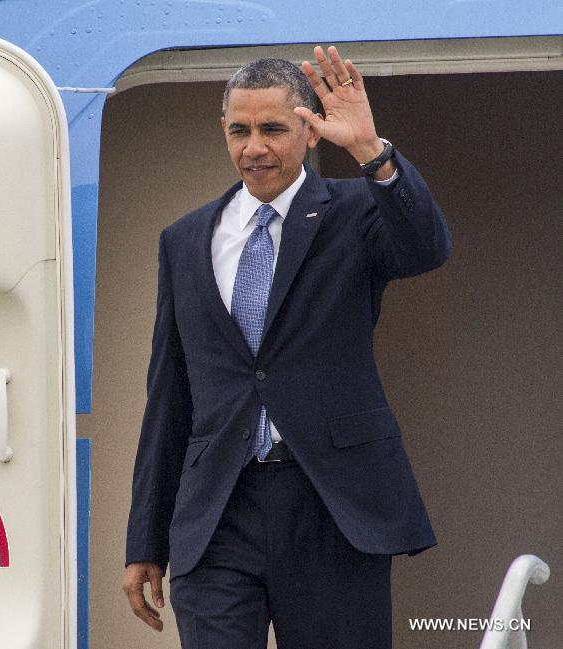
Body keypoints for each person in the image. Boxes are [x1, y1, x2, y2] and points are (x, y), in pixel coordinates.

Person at [122, 45, 451, 649]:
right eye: (240, 130)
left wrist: (369, 151)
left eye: (273, 129)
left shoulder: (354, 211)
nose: (255, 147)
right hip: (219, 509)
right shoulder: (185, 239)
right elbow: (169, 395)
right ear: (224, 131)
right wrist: (145, 539)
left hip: (330, 503)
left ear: (308, 128)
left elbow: (425, 247)